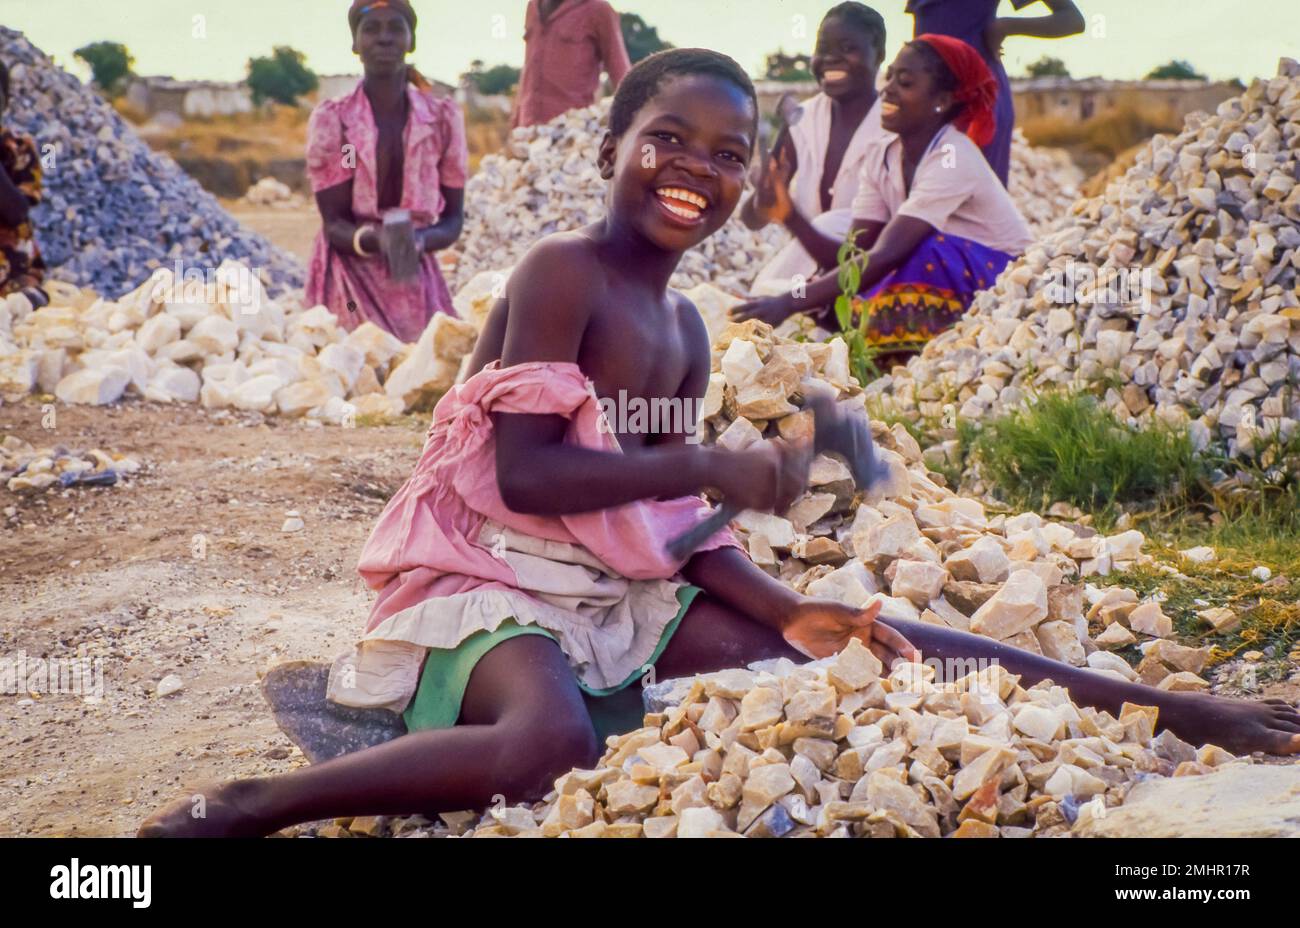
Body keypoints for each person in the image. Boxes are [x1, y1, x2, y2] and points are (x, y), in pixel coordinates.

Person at [139, 48, 1299, 838]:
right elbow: (527, 472)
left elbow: (667, 526)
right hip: (493, 577)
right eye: (670, 139)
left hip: (610, 584)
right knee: (544, 744)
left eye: (729, 153)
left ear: (749, 183)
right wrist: (703, 464)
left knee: (863, 639)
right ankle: (244, 807)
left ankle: (1163, 705)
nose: (697, 166)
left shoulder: (687, 326)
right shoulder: (562, 275)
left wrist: (779, 603)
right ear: (611, 147)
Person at [733, 37, 1034, 368]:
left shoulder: (953, 156)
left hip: (1003, 281)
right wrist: (789, 215)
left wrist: (788, 304)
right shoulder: (882, 154)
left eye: (904, 83)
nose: (888, 89)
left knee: (921, 251)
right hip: (932, 272)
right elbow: (853, 256)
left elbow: (887, 254)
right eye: (889, 77)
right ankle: (876, 346)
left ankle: (898, 356)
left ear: (942, 101)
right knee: (841, 282)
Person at [305, 0, 468, 343]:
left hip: (413, 277)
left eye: (395, 28)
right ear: (355, 43)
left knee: (428, 377)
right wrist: (374, 241)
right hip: (349, 277)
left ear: (411, 41)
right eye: (371, 29)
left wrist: (416, 242)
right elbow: (334, 223)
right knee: (355, 371)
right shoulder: (337, 122)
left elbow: (453, 220)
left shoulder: (440, 119)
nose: (384, 39)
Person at [745, 3, 889, 289]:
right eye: (822, 49)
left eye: (847, 48)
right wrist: (766, 198)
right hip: (813, 270)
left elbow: (867, 254)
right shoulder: (801, 120)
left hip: (874, 277)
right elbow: (753, 219)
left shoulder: (895, 125)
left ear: (880, 56)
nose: (830, 59)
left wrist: (791, 216)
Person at [906, 0, 1085, 185]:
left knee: (973, 198)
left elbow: (1071, 19)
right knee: (923, 195)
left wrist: (1005, 26)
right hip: (926, 96)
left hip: (976, 100)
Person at [511, 0, 632, 129]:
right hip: (527, 130)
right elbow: (529, 69)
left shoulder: (597, 9)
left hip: (571, 132)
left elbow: (620, 71)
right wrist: (516, 122)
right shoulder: (533, 6)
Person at [0, 60, 48, 308]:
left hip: (10, 266)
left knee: (23, 299)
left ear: (5, 102)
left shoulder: (21, 148)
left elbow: (18, 211)